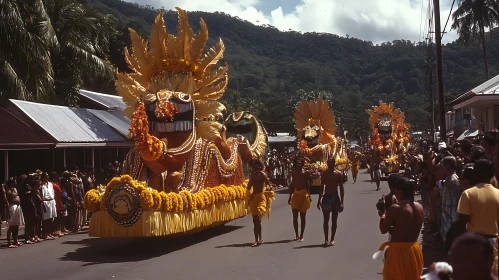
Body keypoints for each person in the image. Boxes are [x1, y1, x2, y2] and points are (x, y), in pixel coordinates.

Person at [457, 157, 499, 277]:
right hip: (494, 243)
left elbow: (461, 223)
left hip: (474, 244)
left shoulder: (468, 193)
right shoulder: (498, 194)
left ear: (476, 173)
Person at [376, 177, 424, 280]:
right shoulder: (419, 207)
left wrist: (382, 213)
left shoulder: (396, 208)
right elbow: (404, 230)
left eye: (395, 191)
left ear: (399, 191)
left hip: (398, 252)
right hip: (414, 249)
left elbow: (383, 229)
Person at [318, 157, 344, 246]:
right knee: (326, 220)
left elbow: (341, 188)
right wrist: (319, 200)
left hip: (335, 197)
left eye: (331, 162)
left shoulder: (338, 174)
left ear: (334, 163)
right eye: (328, 162)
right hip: (326, 198)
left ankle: (332, 239)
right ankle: (326, 239)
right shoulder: (324, 174)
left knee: (334, 220)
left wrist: (342, 202)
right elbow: (321, 188)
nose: (329, 164)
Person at [247, 158, 273, 247]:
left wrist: (269, 188)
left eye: (254, 165)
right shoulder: (252, 175)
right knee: (255, 221)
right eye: (252, 166)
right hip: (254, 199)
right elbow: (249, 186)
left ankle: (260, 238)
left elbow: (268, 183)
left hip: (261, 198)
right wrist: (248, 194)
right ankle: (256, 239)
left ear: (258, 166)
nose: (253, 167)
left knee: (258, 219)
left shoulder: (262, 174)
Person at [438, 156, 461, 242]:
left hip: (451, 213)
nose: (441, 166)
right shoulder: (448, 178)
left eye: (442, 164)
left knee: (450, 238)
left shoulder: (452, 179)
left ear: (447, 166)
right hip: (447, 212)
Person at [288, 157, 311, 242]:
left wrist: (308, 192)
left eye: (300, 163)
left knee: (302, 216)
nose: (299, 164)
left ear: (302, 164)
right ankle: (296, 235)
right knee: (295, 217)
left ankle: (301, 235)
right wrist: (290, 197)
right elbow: (292, 185)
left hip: (304, 195)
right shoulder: (293, 173)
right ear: (295, 164)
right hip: (295, 195)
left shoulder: (306, 172)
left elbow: (310, 181)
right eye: (297, 163)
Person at [5, 178, 24, 248]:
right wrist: (15, 194)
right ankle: (9, 242)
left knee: (16, 224)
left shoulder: (15, 188)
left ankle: (15, 240)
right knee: (11, 225)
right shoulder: (8, 189)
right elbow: (12, 195)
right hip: (12, 206)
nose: (16, 182)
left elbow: (16, 195)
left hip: (17, 206)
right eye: (14, 181)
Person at [40, 172, 57, 239]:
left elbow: (53, 192)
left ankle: (49, 233)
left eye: (48, 176)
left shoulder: (50, 184)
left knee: (51, 218)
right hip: (45, 201)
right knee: (45, 219)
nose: (47, 177)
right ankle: (45, 234)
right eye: (46, 176)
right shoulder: (41, 185)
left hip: (51, 201)